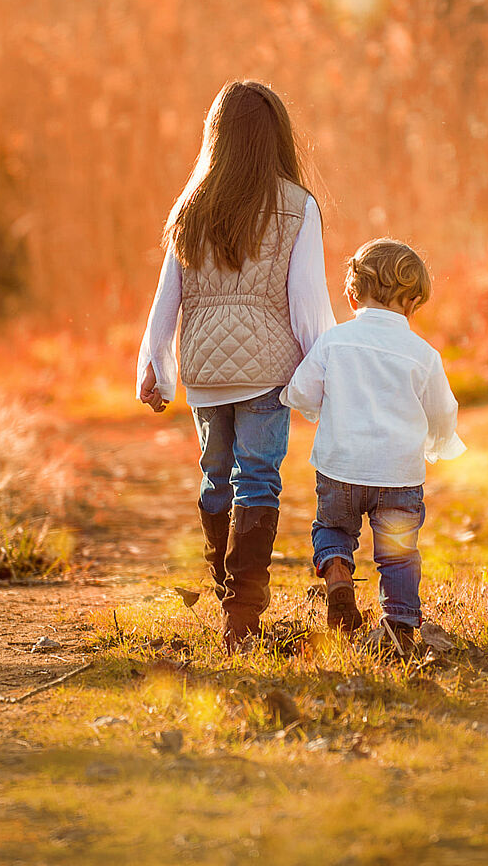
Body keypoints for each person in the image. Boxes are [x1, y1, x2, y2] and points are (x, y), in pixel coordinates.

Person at [137, 80, 335, 651]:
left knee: (215, 473)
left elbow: (166, 298)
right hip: (266, 371)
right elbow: (309, 302)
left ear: (216, 135)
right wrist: (324, 373)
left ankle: (227, 586)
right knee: (258, 477)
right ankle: (244, 609)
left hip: (204, 369)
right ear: (276, 135)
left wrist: (156, 366)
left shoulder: (191, 203)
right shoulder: (297, 205)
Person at [279, 238, 465, 656]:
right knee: (398, 554)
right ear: (414, 303)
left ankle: (339, 577)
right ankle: (398, 625)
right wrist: (435, 444)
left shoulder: (333, 341)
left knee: (332, 528)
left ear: (351, 294)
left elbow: (303, 391)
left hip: (339, 467)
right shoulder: (424, 355)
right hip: (398, 474)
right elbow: (442, 411)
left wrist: (321, 408)